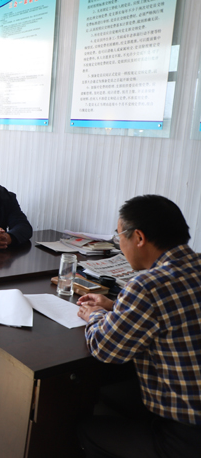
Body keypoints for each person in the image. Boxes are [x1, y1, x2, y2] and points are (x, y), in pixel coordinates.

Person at [76, 195, 201, 458]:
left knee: (87, 429)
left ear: (139, 237)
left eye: (119, 235)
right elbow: (174, 311)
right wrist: (116, 306)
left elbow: (104, 347)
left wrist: (96, 315)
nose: (119, 243)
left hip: (185, 437)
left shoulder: (147, 285)